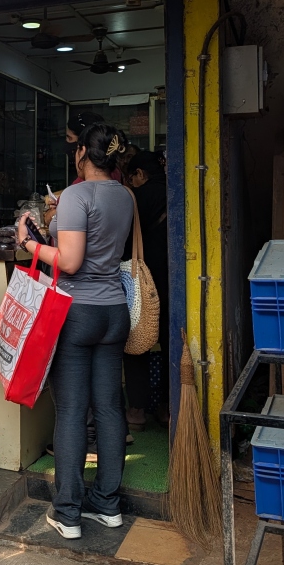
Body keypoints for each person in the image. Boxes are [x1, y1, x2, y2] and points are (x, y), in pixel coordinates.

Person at [17, 123, 133, 538]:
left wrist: (29, 243)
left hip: (77, 311)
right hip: (114, 312)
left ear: (82, 152)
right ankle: (107, 504)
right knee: (108, 408)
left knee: (70, 410)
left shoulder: (76, 195)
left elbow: (68, 261)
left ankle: (67, 513)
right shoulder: (125, 195)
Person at [124, 149, 170, 427]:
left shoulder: (135, 198)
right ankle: (167, 408)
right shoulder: (178, 191)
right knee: (169, 343)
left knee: (136, 342)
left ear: (139, 175)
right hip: (173, 281)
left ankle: (137, 411)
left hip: (143, 280)